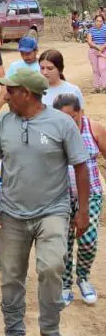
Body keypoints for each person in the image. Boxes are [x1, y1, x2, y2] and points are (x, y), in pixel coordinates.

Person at [0, 68, 90, 336]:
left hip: (53, 210)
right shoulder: (3, 122)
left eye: (10, 90)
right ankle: (14, 334)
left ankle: (51, 331)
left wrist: (83, 212)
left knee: (52, 267)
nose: (6, 94)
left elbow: (80, 167)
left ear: (26, 94)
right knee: (11, 276)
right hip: (12, 213)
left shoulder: (61, 124)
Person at [53, 94, 105, 307]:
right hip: (60, 195)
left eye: (72, 118)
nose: (69, 124)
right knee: (62, 242)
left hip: (91, 193)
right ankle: (65, 284)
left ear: (80, 112)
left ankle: (83, 277)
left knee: (88, 239)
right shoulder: (52, 132)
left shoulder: (94, 129)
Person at [0, 37, 39, 117]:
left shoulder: (43, 66)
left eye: (28, 53)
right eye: (22, 54)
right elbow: (5, 89)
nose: (25, 57)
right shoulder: (14, 66)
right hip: (18, 109)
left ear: (36, 51)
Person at [86, 14, 106, 93]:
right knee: (95, 69)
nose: (99, 23)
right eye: (97, 21)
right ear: (95, 21)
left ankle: (105, 87)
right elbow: (89, 42)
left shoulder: (105, 28)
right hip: (93, 51)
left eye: (100, 21)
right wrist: (97, 47)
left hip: (103, 50)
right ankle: (97, 88)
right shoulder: (90, 30)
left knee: (103, 68)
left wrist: (101, 50)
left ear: (103, 21)